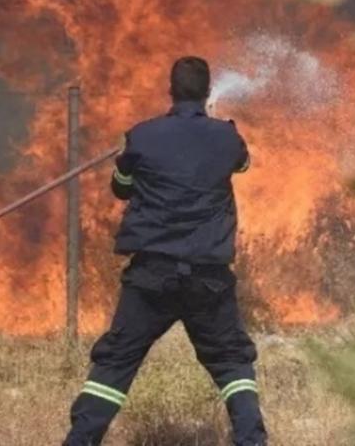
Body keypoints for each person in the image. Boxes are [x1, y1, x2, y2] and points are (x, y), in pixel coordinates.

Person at [63, 56, 267, 446]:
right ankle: (251, 441)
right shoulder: (226, 137)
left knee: (116, 363)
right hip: (208, 278)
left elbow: (121, 187)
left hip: (151, 277)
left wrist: (130, 156)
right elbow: (242, 166)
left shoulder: (141, 136)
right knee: (232, 362)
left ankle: (79, 441)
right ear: (208, 92)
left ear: (170, 91)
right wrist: (214, 133)